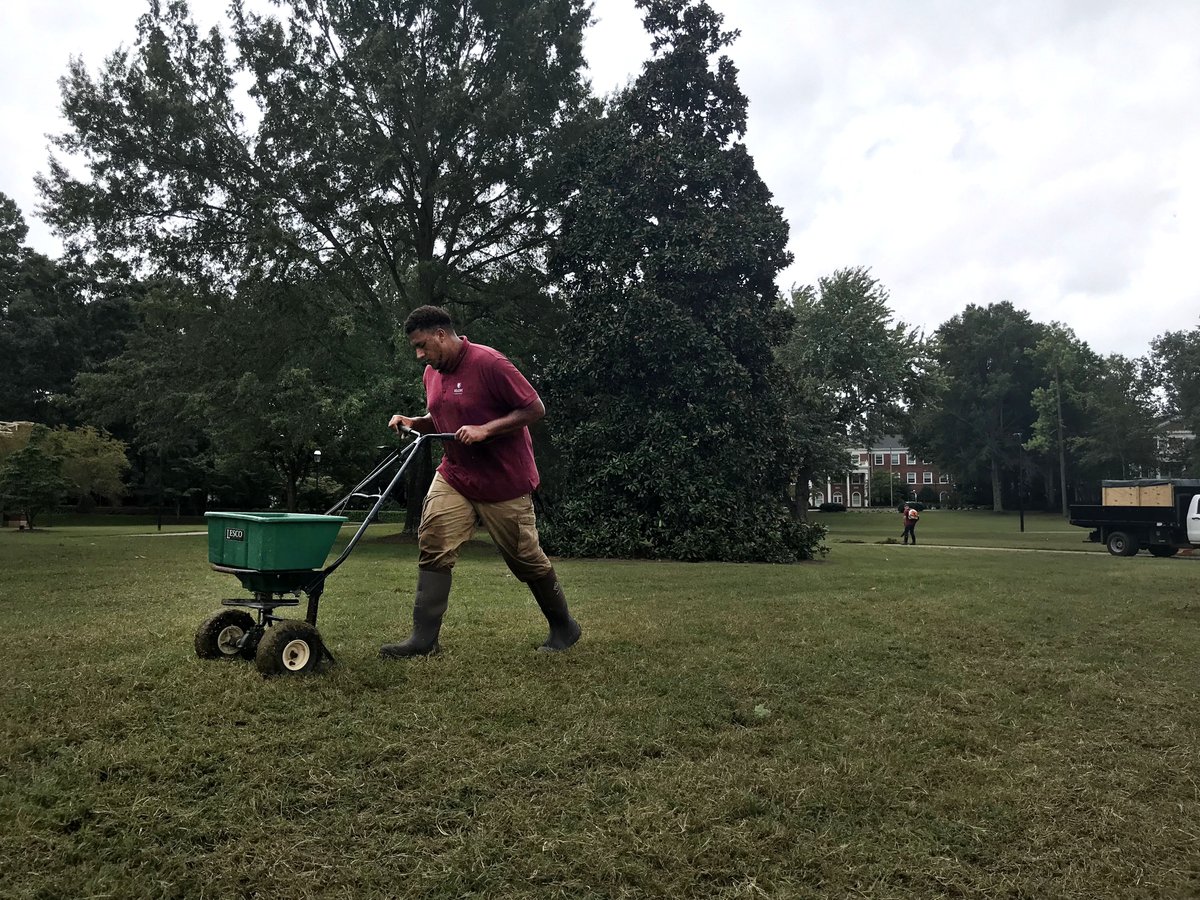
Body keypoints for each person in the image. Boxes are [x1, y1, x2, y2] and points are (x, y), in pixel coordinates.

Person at [381, 305, 581, 658]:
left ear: (442, 334)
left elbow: (535, 408)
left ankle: (564, 626)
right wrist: (414, 421)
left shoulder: (490, 363)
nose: (419, 355)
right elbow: (441, 415)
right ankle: (424, 640)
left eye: (423, 345)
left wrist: (486, 429)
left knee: (526, 559)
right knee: (433, 543)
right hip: (456, 475)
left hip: (504, 481)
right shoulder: (433, 372)